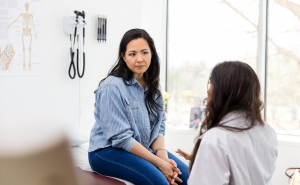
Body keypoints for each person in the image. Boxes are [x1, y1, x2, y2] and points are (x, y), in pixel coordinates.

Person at [88, 28, 189, 185]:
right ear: (124, 56)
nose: (139, 59)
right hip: (106, 152)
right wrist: (159, 163)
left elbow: (159, 127)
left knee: (186, 175)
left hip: (141, 148)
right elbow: (121, 139)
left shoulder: (154, 86)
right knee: (160, 181)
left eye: (144, 52)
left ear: (152, 54)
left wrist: (162, 156)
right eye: (132, 54)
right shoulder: (111, 87)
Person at [176, 61, 278, 185]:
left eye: (208, 94)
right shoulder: (267, 131)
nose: (206, 101)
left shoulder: (216, 139)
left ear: (220, 95)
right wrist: (203, 160)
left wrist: (207, 156)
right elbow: (246, 167)